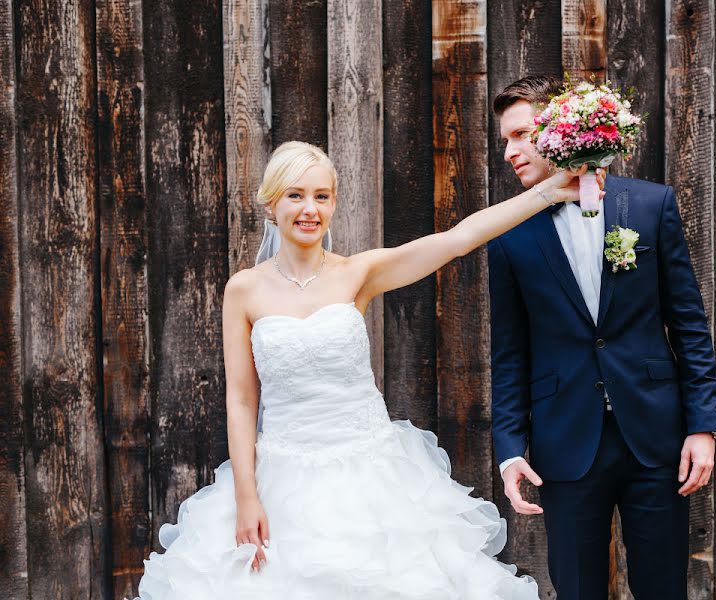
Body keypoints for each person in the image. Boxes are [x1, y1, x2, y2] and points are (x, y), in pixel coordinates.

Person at [133, 141, 585, 599]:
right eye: (295, 195)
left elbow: (458, 239)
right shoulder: (243, 291)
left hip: (373, 476)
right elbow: (242, 399)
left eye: (322, 196)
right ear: (271, 204)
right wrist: (247, 497)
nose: (310, 209)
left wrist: (548, 191)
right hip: (283, 480)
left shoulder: (357, 273)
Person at [488, 75, 716, 600]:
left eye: (520, 135)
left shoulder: (649, 206)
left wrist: (703, 426)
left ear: (559, 130)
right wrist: (509, 451)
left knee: (663, 588)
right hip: (565, 445)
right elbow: (509, 353)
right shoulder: (507, 233)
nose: (509, 152)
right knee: (576, 589)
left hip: (658, 438)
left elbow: (689, 325)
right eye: (504, 139)